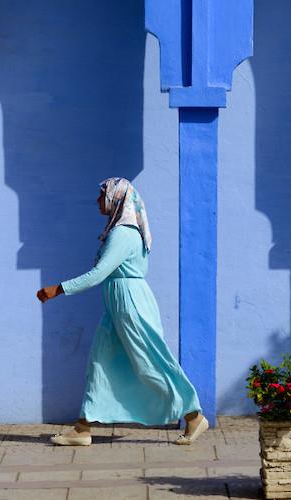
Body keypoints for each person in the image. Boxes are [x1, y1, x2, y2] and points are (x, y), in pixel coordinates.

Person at [36, 177, 209, 446]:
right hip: (117, 304)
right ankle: (83, 428)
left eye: (102, 195)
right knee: (99, 363)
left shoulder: (124, 233)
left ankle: (194, 415)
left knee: (149, 361)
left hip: (130, 304)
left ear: (116, 198)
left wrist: (58, 289)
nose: (97, 200)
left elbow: (99, 273)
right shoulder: (119, 230)